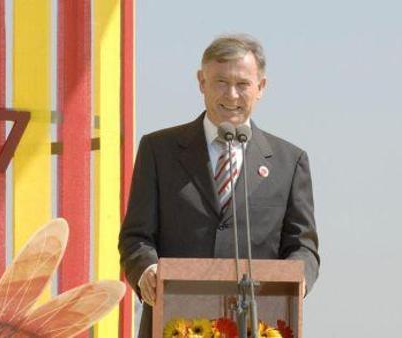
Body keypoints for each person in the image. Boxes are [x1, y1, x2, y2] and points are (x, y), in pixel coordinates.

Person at [118, 34, 320, 338]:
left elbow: (303, 246)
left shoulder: (289, 162)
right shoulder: (159, 150)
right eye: (221, 82)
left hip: (257, 324)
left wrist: (294, 278)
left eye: (243, 84)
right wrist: (146, 270)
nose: (232, 95)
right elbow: (136, 237)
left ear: (261, 87)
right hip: (174, 323)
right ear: (202, 82)